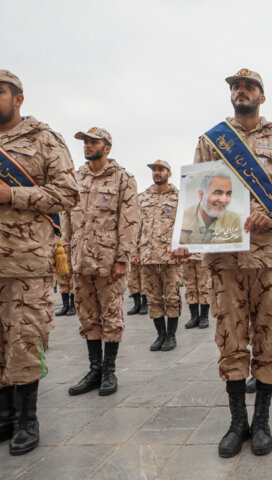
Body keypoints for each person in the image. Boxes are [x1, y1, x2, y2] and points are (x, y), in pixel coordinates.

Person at [174, 68, 272, 458]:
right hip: (226, 262)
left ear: (261, 96)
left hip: (269, 260)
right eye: (235, 86)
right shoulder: (211, 141)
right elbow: (198, 192)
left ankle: (263, 422)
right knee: (231, 342)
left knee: (268, 341)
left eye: (249, 86)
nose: (241, 90)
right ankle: (238, 422)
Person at [0, 70, 79, 455]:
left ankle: (27, 419)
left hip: (27, 261)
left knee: (25, 337)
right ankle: (4, 415)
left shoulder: (43, 139)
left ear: (18, 98)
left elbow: (68, 193)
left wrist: (12, 194)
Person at [65, 127, 139, 398]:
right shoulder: (77, 177)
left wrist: (123, 259)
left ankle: (109, 371)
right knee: (87, 316)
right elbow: (67, 218)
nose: (87, 145)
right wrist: (66, 253)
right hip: (80, 261)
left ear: (107, 147)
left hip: (109, 263)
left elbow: (130, 221)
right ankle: (94, 370)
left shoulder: (123, 179)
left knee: (111, 316)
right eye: (85, 142)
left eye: (93, 142)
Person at [137, 160, 181, 352]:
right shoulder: (142, 198)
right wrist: (135, 252)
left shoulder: (178, 198)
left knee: (172, 297)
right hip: (147, 254)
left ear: (169, 173)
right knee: (153, 298)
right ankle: (160, 335)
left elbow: (184, 226)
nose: (156, 172)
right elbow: (136, 226)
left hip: (170, 256)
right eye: (154, 170)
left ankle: (171, 336)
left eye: (160, 169)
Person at [179, 172, 243, 245]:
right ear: (201, 195)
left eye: (228, 193)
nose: (224, 200)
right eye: (218, 193)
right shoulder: (181, 219)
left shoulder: (234, 220)